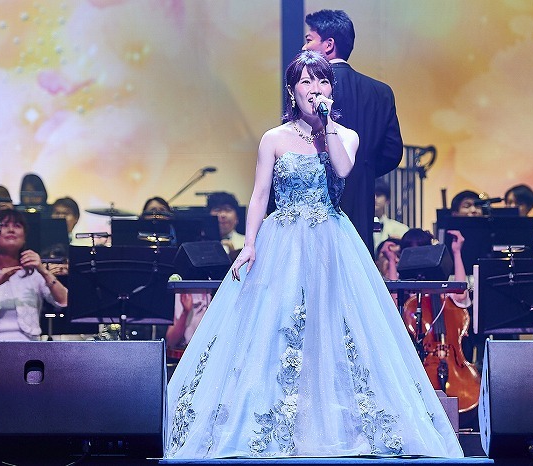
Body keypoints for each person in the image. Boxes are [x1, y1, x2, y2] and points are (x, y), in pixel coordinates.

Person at [164, 51, 462, 459]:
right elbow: (259, 195)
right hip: (282, 241)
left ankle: (334, 427)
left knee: (332, 326)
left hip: (330, 242)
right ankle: (270, 424)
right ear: (292, 91)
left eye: (322, 81)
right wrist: (249, 244)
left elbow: (341, 169)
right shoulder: (273, 138)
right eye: (306, 81)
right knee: (278, 327)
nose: (315, 89)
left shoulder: (346, 135)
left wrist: (327, 127)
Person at [303, 9, 403, 254]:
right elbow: (393, 152)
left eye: (309, 40)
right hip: (362, 196)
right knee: (356, 265)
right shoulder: (381, 92)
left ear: (328, 45)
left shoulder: (308, 89)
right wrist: (363, 170)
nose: (304, 48)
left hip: (318, 197)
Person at [0, 209, 67, 341]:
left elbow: (64, 301)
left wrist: (44, 271)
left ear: (24, 237)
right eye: (4, 225)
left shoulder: (34, 273)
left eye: (17, 226)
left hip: (28, 344)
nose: (11, 230)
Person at [373, 179, 409, 255]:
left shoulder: (401, 229)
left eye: (378, 194)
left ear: (387, 200)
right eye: (371, 194)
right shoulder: (355, 228)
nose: (374, 198)